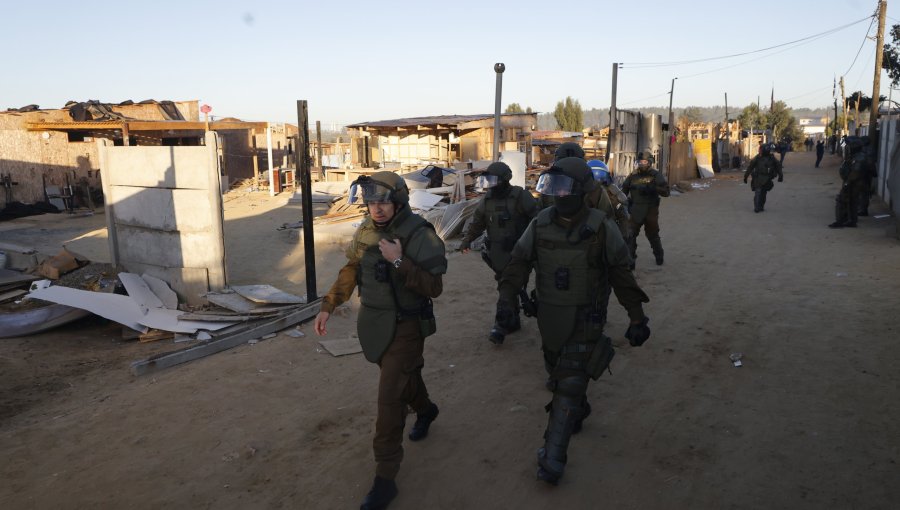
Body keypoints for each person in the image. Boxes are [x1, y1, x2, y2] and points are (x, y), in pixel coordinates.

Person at [495, 157, 651, 485]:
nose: (555, 195)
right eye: (551, 187)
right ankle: (577, 408)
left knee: (569, 382)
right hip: (549, 316)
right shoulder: (540, 224)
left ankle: (553, 457)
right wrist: (506, 301)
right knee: (556, 371)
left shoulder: (599, 226)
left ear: (580, 191)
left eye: (562, 188)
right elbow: (518, 264)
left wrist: (637, 318)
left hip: (586, 316)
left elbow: (622, 276)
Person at [313, 171, 447, 510]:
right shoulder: (366, 230)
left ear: (399, 201)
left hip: (406, 326)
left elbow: (434, 287)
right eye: (371, 201)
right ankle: (427, 410)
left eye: (383, 201)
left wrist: (398, 261)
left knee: (389, 401)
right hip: (374, 323)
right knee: (404, 378)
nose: (377, 208)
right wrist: (329, 304)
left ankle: (385, 479)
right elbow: (351, 268)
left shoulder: (419, 233)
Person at [459, 161, 538, 344]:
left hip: (519, 253)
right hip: (497, 255)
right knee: (509, 286)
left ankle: (500, 325)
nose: (491, 185)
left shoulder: (520, 196)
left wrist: (528, 242)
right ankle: (513, 320)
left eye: (494, 181)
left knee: (507, 287)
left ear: (505, 180)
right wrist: (466, 241)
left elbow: (537, 220)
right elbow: (477, 223)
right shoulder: (487, 200)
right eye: (488, 181)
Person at [621, 151, 670, 266]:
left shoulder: (655, 175)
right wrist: (626, 203)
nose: (642, 164)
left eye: (645, 161)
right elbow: (623, 192)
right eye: (640, 161)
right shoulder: (632, 176)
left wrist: (654, 188)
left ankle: (659, 256)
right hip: (635, 210)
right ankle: (630, 260)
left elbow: (666, 192)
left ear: (650, 162)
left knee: (653, 235)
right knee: (630, 235)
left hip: (650, 210)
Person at [829, 138, 874, 228]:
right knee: (852, 201)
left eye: (850, 146)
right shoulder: (855, 156)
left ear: (855, 147)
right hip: (853, 182)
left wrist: (847, 182)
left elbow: (856, 172)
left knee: (842, 200)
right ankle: (851, 220)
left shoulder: (860, 157)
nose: (848, 148)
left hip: (855, 183)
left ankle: (841, 221)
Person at [743, 143, 783, 213]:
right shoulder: (759, 157)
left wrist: (781, 176)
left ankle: (760, 206)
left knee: (762, 193)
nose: (760, 151)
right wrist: (746, 176)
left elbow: (778, 166)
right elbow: (750, 167)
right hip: (759, 177)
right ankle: (757, 207)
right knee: (759, 192)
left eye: (761, 149)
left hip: (766, 178)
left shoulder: (770, 158)